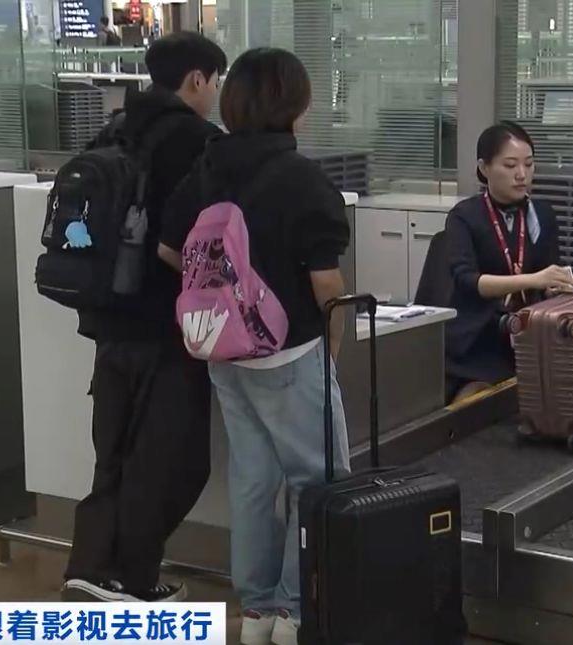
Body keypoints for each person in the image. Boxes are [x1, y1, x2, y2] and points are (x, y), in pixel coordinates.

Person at [158, 48, 351, 645]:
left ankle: (258, 610)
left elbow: (168, 249)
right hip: (289, 353)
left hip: (223, 353)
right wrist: (332, 344)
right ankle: (295, 611)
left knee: (252, 480)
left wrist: (225, 296)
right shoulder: (302, 178)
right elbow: (326, 284)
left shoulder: (207, 167)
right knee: (319, 480)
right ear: (297, 105)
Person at [61, 31, 227, 604]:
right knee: (171, 460)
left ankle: (90, 568)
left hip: (108, 318)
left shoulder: (114, 128)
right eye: (215, 82)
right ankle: (130, 579)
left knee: (113, 455)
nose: (215, 93)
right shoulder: (200, 142)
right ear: (198, 79)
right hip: (166, 323)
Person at [443, 122, 573, 404]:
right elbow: (468, 281)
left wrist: (559, 285)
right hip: (479, 336)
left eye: (529, 164)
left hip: (528, 332)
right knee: (479, 403)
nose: (522, 175)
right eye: (510, 165)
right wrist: (534, 279)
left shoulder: (541, 214)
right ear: (484, 168)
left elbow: (547, 278)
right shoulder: (464, 216)